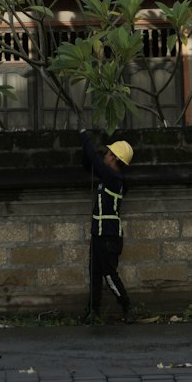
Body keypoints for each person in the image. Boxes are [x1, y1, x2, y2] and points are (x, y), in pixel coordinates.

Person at [79, 128, 134, 323]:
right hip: (99, 233)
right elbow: (89, 164)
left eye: (109, 154)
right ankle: (93, 311)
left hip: (108, 236)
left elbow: (95, 161)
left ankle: (127, 307)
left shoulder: (114, 179)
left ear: (115, 160)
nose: (106, 155)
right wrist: (84, 148)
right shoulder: (108, 178)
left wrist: (85, 136)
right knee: (94, 273)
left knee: (109, 275)